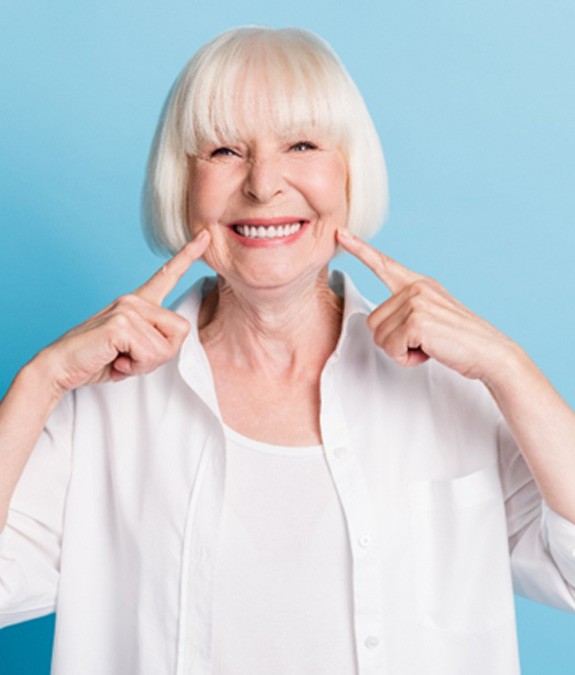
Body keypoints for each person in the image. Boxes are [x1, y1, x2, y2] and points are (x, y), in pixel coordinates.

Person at [1, 25, 574, 675]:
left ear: (349, 171)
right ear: (181, 183)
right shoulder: (100, 409)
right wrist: (40, 379)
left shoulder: (453, 385)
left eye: (301, 144)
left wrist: (507, 364)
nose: (263, 183)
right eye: (223, 150)